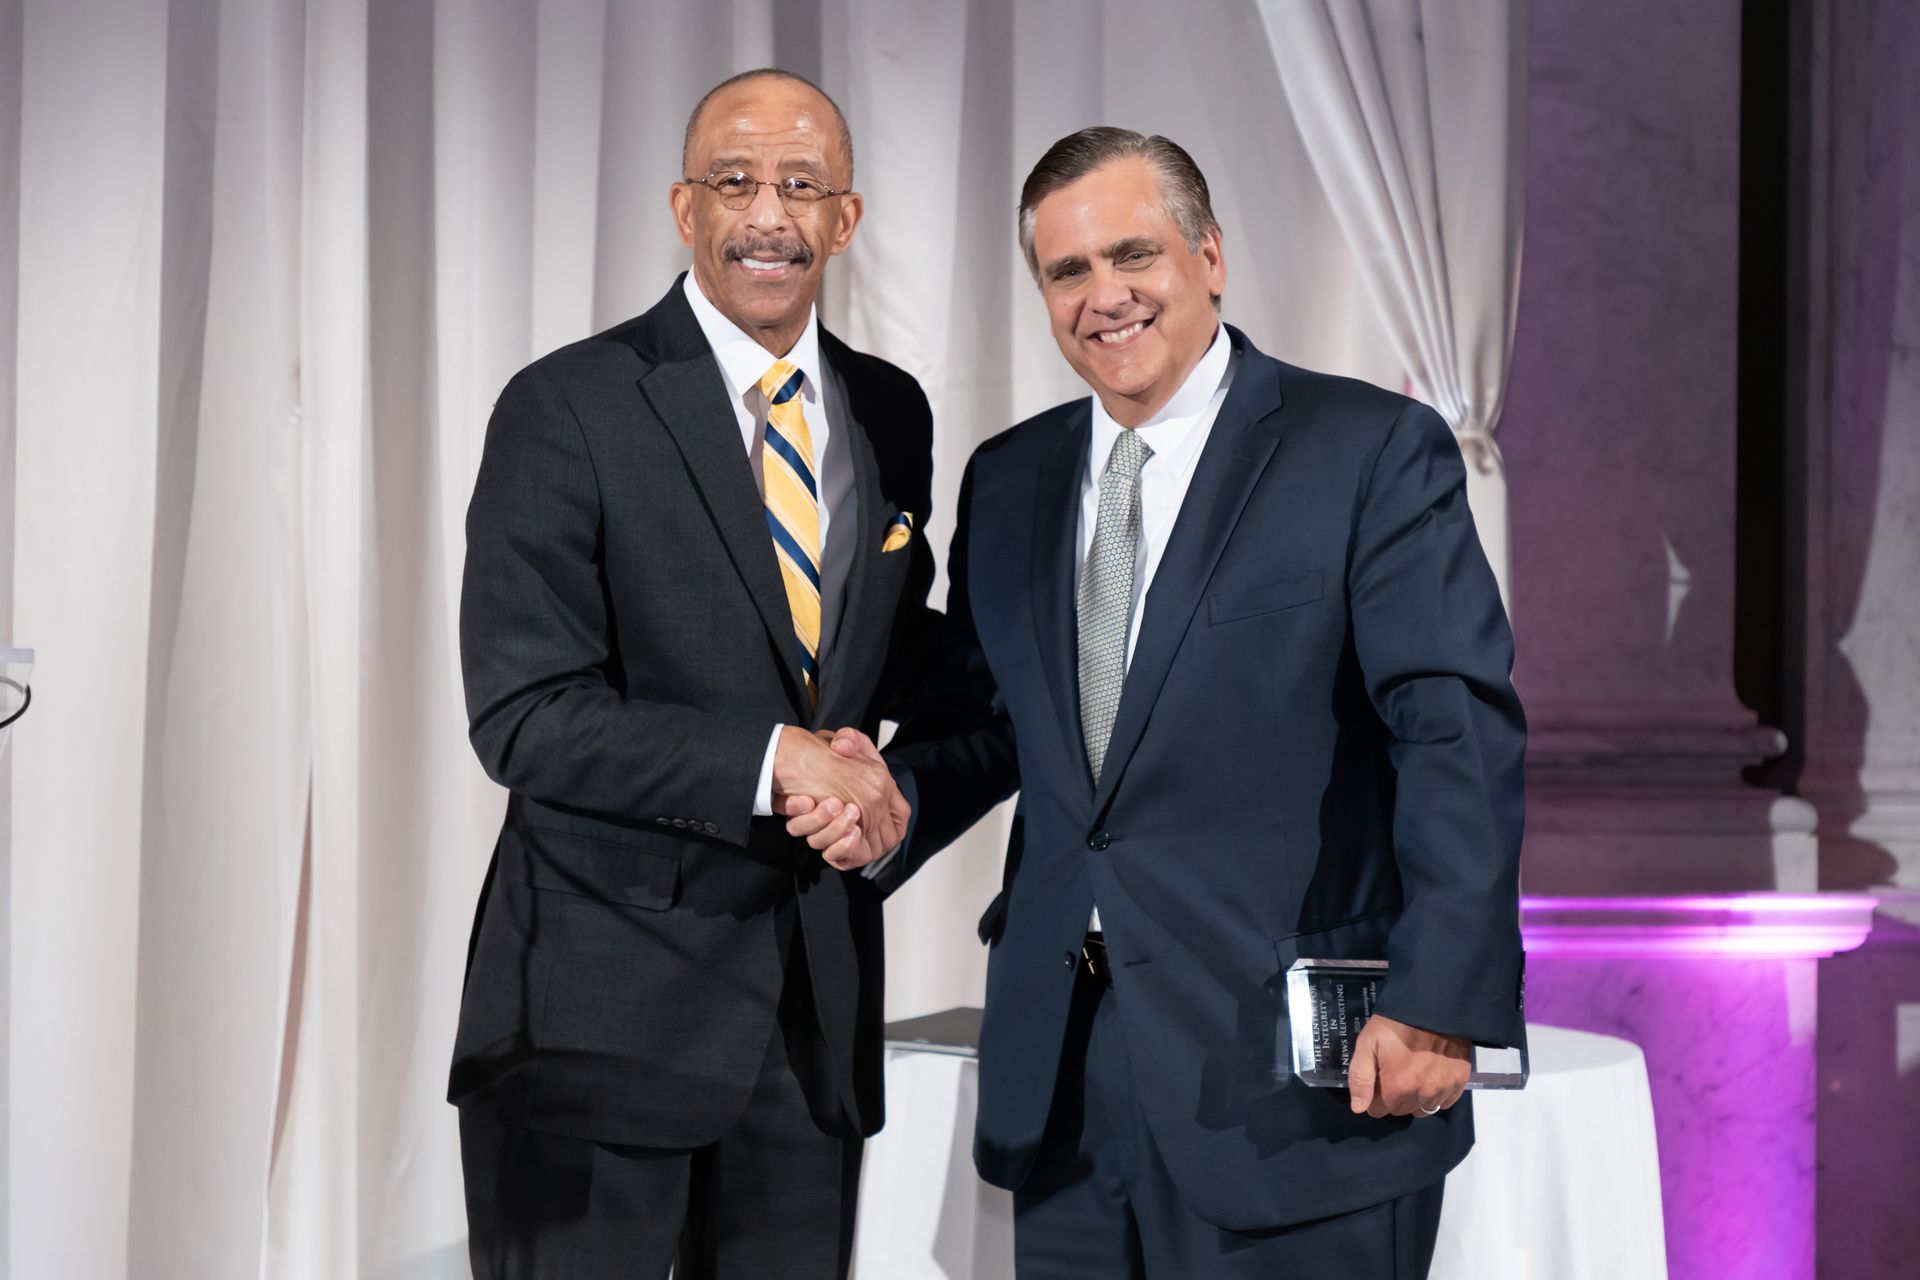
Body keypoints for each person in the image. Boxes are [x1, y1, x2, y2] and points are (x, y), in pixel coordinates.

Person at [790, 127, 1527, 1278]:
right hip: (1063, 1075)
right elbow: (991, 723)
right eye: (1068, 270)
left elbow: (1457, 731)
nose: (1105, 295)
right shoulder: (1010, 477)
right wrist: (890, 800)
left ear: (1210, 256)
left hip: (1299, 1089)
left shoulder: (1367, 449)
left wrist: (1441, 994)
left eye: (1133, 254)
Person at [448, 68, 930, 1279]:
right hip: (594, 1028)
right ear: (683, 206)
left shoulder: (893, 411)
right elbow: (525, 715)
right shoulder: (566, 405)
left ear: (845, 219)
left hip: (811, 1034)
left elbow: (891, 664)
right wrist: (777, 762)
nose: (768, 214)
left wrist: (887, 793)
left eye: (801, 185)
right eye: (734, 180)